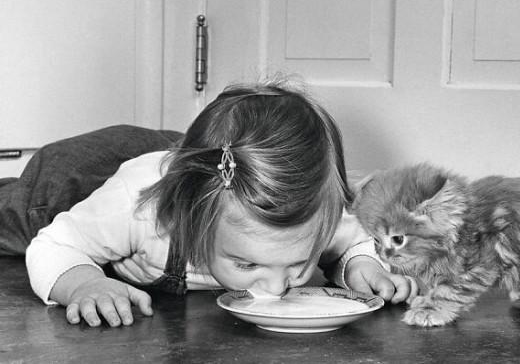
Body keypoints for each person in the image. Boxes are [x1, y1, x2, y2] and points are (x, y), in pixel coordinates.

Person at [18, 78, 417, 328]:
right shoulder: (139, 210)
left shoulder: (311, 210)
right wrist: (84, 283)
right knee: (18, 215)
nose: (277, 287)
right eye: (248, 264)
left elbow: (354, 240)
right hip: (68, 180)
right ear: (192, 216)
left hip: (205, 159)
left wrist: (361, 265)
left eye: (298, 264)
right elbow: (54, 245)